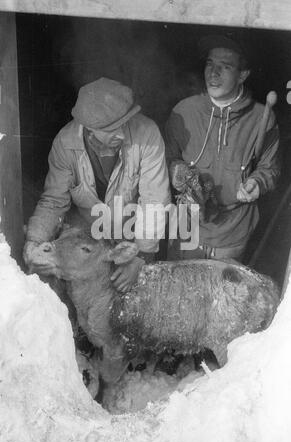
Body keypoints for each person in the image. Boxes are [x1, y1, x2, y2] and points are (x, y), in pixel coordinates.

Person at [23, 77, 171, 292]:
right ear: (89, 128)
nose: (121, 133)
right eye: (112, 128)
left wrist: (141, 256)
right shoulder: (65, 143)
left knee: (137, 304)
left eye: (124, 123)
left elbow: (154, 200)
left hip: (132, 239)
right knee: (89, 309)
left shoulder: (147, 133)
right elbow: (54, 201)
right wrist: (34, 241)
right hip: (86, 243)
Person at [165, 35, 280, 261]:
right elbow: (166, 158)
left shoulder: (260, 118)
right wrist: (176, 170)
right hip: (186, 231)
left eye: (225, 66)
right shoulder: (184, 111)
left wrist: (257, 183)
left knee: (223, 295)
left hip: (233, 235)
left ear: (242, 75)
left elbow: (270, 168)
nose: (213, 73)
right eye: (210, 64)